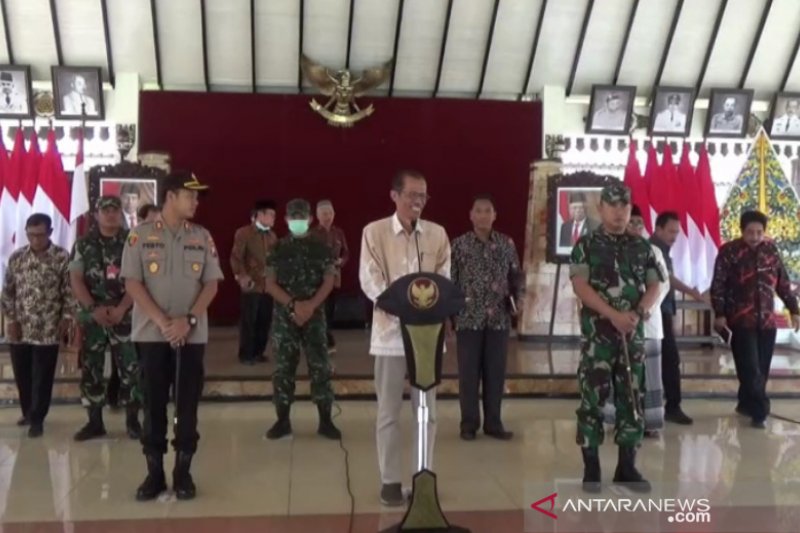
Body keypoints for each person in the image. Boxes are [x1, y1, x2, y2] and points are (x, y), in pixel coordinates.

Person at [121, 171, 223, 501]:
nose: (195, 201)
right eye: (189, 195)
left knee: (186, 405)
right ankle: (153, 474)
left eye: (197, 196)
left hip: (191, 336)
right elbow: (133, 283)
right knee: (153, 405)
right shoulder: (140, 236)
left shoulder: (202, 236)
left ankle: (183, 472)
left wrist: (188, 320)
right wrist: (164, 322)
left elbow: (211, 283)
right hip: (152, 336)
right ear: (170, 197)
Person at [359, 170, 451, 507]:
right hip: (390, 336)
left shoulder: (437, 234)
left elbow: (444, 278)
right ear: (394, 195)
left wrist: (427, 310)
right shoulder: (374, 232)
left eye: (423, 195)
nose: (417, 201)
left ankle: (423, 477)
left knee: (427, 412)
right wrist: (402, 307)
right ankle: (389, 481)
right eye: (412, 194)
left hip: (427, 337)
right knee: (388, 411)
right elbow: (370, 280)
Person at [570, 184, 664, 494]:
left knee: (632, 399)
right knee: (592, 399)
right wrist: (612, 314)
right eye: (613, 206)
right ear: (601, 209)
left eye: (625, 207)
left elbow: (653, 286)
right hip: (599, 337)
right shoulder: (586, 244)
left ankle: (627, 467)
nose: (620, 213)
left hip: (632, 337)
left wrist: (637, 311)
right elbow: (581, 286)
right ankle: (591, 467)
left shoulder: (642, 247)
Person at [710, 210, 800, 429]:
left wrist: (794, 310)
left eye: (759, 232)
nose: (755, 236)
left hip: (767, 320)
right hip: (740, 320)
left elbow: (783, 284)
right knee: (750, 367)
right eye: (750, 232)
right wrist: (719, 313)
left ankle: (745, 403)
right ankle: (760, 412)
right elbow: (718, 284)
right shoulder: (729, 252)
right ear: (742, 231)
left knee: (761, 368)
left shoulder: (771, 251)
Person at [263, 199, 340, 441]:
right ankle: (282, 420)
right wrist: (294, 305)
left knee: (320, 367)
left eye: (302, 218)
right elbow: (269, 284)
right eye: (293, 218)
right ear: (286, 220)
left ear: (309, 219)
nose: (298, 222)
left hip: (314, 316)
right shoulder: (277, 249)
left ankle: (326, 421)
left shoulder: (322, 248)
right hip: (286, 318)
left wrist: (310, 305)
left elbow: (329, 281)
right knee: (283, 369)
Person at [70, 196, 142, 441]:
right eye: (105, 210)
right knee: (92, 369)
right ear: (96, 214)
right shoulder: (83, 243)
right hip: (94, 317)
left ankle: (133, 421)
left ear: (120, 213)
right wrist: (92, 309)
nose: (110, 214)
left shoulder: (132, 241)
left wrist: (122, 308)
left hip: (126, 314)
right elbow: (76, 279)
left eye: (115, 210)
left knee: (131, 370)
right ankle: (95, 423)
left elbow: (139, 279)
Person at [451, 195, 521, 441]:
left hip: (498, 319)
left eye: (487, 211)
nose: (482, 215)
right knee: (468, 375)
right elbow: (451, 281)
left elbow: (515, 277)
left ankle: (494, 423)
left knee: (495, 373)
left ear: (495, 215)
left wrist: (517, 301)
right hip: (468, 318)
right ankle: (468, 424)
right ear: (471, 215)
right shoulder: (459, 245)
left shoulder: (506, 243)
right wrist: (450, 316)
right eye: (478, 211)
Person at [1, 213, 72, 438]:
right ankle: (28, 412)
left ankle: (38, 418)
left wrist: (66, 318)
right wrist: (10, 320)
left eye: (40, 235)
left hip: (48, 327)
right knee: (22, 374)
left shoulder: (61, 257)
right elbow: (8, 292)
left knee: (42, 375)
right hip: (20, 328)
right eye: (31, 235)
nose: (35, 240)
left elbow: (68, 291)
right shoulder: (17, 257)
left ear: (50, 233)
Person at [602, 206, 671, 437]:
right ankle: (615, 419)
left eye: (640, 223)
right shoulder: (610, 249)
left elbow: (663, 283)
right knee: (619, 372)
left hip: (648, 324)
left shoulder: (653, 251)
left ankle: (650, 422)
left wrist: (648, 307)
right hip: (619, 321)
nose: (636, 227)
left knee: (649, 374)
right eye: (632, 222)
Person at [650, 211, 702, 425]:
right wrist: (693, 292)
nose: (674, 236)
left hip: (663, 310)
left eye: (677, 232)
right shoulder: (653, 249)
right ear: (658, 229)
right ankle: (672, 406)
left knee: (668, 360)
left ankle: (670, 405)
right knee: (670, 360)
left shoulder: (662, 248)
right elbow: (666, 279)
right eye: (671, 231)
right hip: (656, 312)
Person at [231, 200, 278, 365]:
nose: (273, 218)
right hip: (251, 284)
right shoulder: (244, 233)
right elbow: (237, 257)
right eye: (270, 215)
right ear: (260, 215)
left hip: (269, 286)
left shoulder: (272, 236)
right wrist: (242, 276)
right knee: (249, 321)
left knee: (264, 321)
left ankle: (259, 352)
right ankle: (246, 354)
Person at [310, 199, 349, 353]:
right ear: (318, 215)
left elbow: (346, 252)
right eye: (324, 213)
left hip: (334, 277)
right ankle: (323, 340)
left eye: (330, 213)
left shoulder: (338, 232)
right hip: (318, 279)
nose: (328, 216)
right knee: (320, 311)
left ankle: (327, 338)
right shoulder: (312, 233)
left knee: (330, 310)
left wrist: (341, 261)